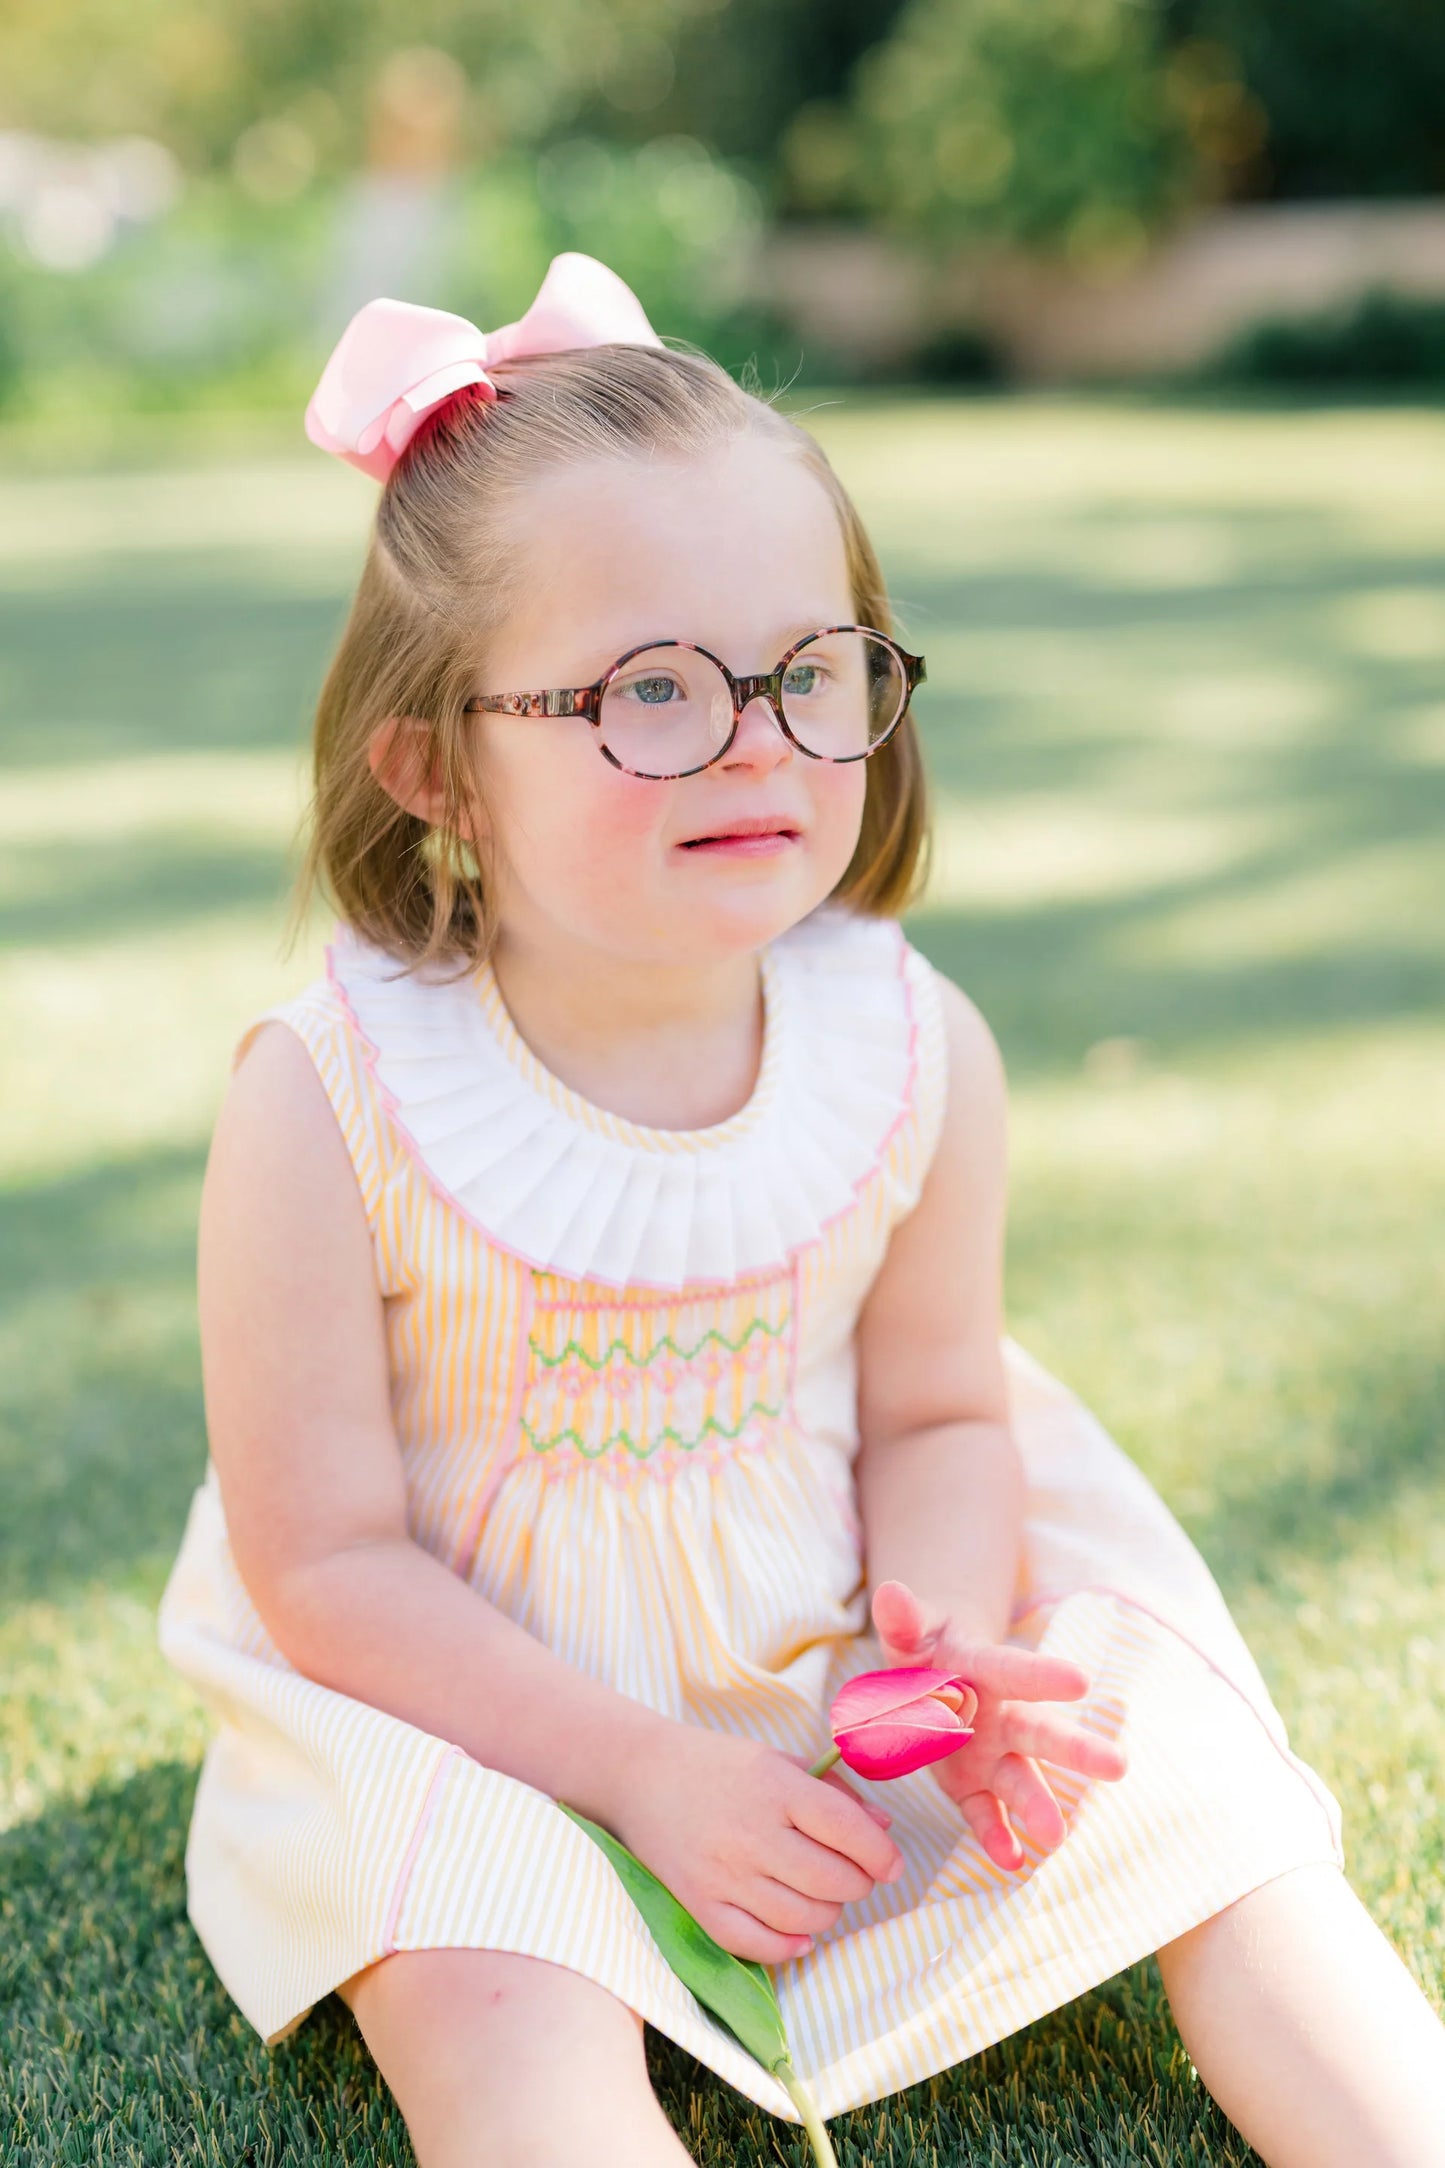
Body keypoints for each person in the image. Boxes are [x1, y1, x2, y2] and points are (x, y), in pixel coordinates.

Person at [157, 253, 1445, 2168]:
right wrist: (641, 1770)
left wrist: (926, 1660)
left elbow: (936, 1411)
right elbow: (326, 1563)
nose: (758, 735)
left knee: (1201, 1811)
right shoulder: (327, 1094)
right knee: (493, 1999)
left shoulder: (912, 1045)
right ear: (435, 765)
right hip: (469, 1689)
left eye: (810, 669)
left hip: (828, 1618)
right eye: (649, 692)